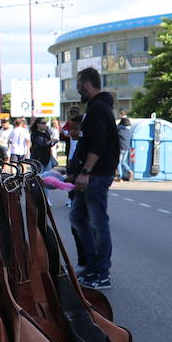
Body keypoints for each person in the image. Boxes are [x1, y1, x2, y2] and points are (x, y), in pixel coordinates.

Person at [68, 67, 118, 290]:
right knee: (78, 217)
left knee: (98, 223)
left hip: (96, 176)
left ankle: (101, 272)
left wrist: (86, 172)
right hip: (88, 174)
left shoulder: (98, 108)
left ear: (87, 83)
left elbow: (98, 144)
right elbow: (92, 140)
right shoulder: (95, 108)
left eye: (79, 84)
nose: (78, 88)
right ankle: (90, 266)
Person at [116, 111, 133, 181]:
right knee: (123, 162)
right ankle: (130, 171)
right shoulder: (129, 130)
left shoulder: (119, 129)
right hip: (127, 147)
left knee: (118, 162)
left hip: (121, 147)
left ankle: (120, 177)